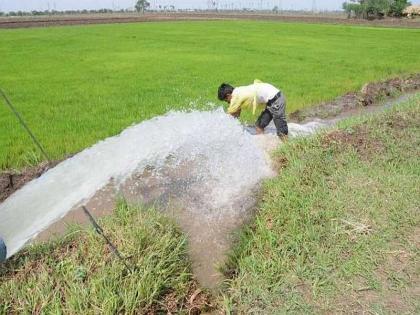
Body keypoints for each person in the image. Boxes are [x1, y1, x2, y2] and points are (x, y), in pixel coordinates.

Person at [218, 80, 288, 138]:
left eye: (226, 100)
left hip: (276, 101)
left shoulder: (236, 96)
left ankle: (287, 149)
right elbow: (237, 113)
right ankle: (264, 147)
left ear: (228, 95)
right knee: (259, 126)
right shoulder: (239, 91)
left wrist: (219, 128)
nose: (228, 103)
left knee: (281, 132)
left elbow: (229, 115)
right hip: (271, 101)